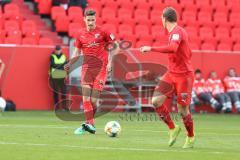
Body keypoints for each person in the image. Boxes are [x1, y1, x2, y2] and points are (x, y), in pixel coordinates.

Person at [140, 7, 195, 148]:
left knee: (182, 110)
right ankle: (173, 128)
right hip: (171, 73)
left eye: (161, 19)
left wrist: (150, 48)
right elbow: (185, 52)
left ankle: (190, 137)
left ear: (164, 19)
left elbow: (173, 48)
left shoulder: (177, 32)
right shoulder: (172, 33)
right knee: (156, 101)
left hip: (184, 76)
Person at [65, 9, 118, 135]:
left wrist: (110, 62)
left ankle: (88, 124)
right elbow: (77, 52)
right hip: (87, 69)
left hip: (101, 69)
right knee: (86, 97)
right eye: (88, 20)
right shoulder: (80, 34)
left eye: (92, 20)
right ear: (84, 19)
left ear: (96, 19)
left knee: (94, 100)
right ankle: (90, 124)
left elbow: (116, 46)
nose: (90, 22)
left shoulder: (103, 32)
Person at [49, 45, 69, 111]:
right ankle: (56, 107)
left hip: (62, 75)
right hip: (54, 76)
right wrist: (61, 66)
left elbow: (65, 65)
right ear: (55, 50)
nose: (58, 51)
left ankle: (64, 107)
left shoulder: (63, 56)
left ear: (61, 50)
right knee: (56, 92)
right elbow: (53, 65)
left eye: (59, 50)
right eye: (57, 50)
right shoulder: (52, 56)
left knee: (63, 92)